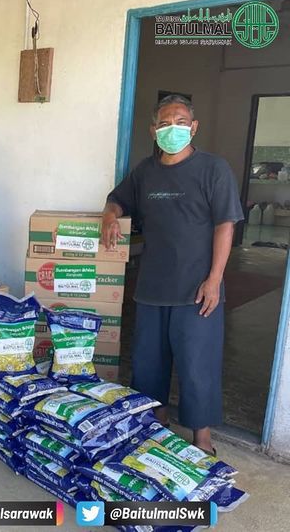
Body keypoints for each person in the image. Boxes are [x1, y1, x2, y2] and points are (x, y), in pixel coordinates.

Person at [102, 94, 244, 454]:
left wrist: (215, 280)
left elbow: (225, 225)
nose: (173, 129)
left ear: (194, 127)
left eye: (181, 122)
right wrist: (110, 216)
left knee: (198, 364)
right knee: (149, 364)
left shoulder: (213, 169)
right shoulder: (145, 172)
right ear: (153, 130)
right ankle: (156, 424)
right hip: (152, 287)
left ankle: (202, 439)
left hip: (197, 289)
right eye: (165, 123)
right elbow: (117, 199)